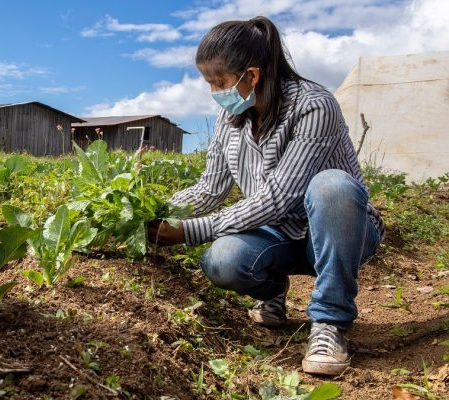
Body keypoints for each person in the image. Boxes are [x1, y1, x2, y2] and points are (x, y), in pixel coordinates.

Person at [147, 16, 384, 376]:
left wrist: (189, 231)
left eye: (219, 82)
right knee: (222, 259)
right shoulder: (231, 121)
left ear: (251, 76)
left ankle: (329, 324)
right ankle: (272, 291)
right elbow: (210, 189)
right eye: (209, 83)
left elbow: (280, 196)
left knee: (332, 186)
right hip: (280, 237)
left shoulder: (313, 106)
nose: (214, 92)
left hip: (341, 230)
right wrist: (156, 213)